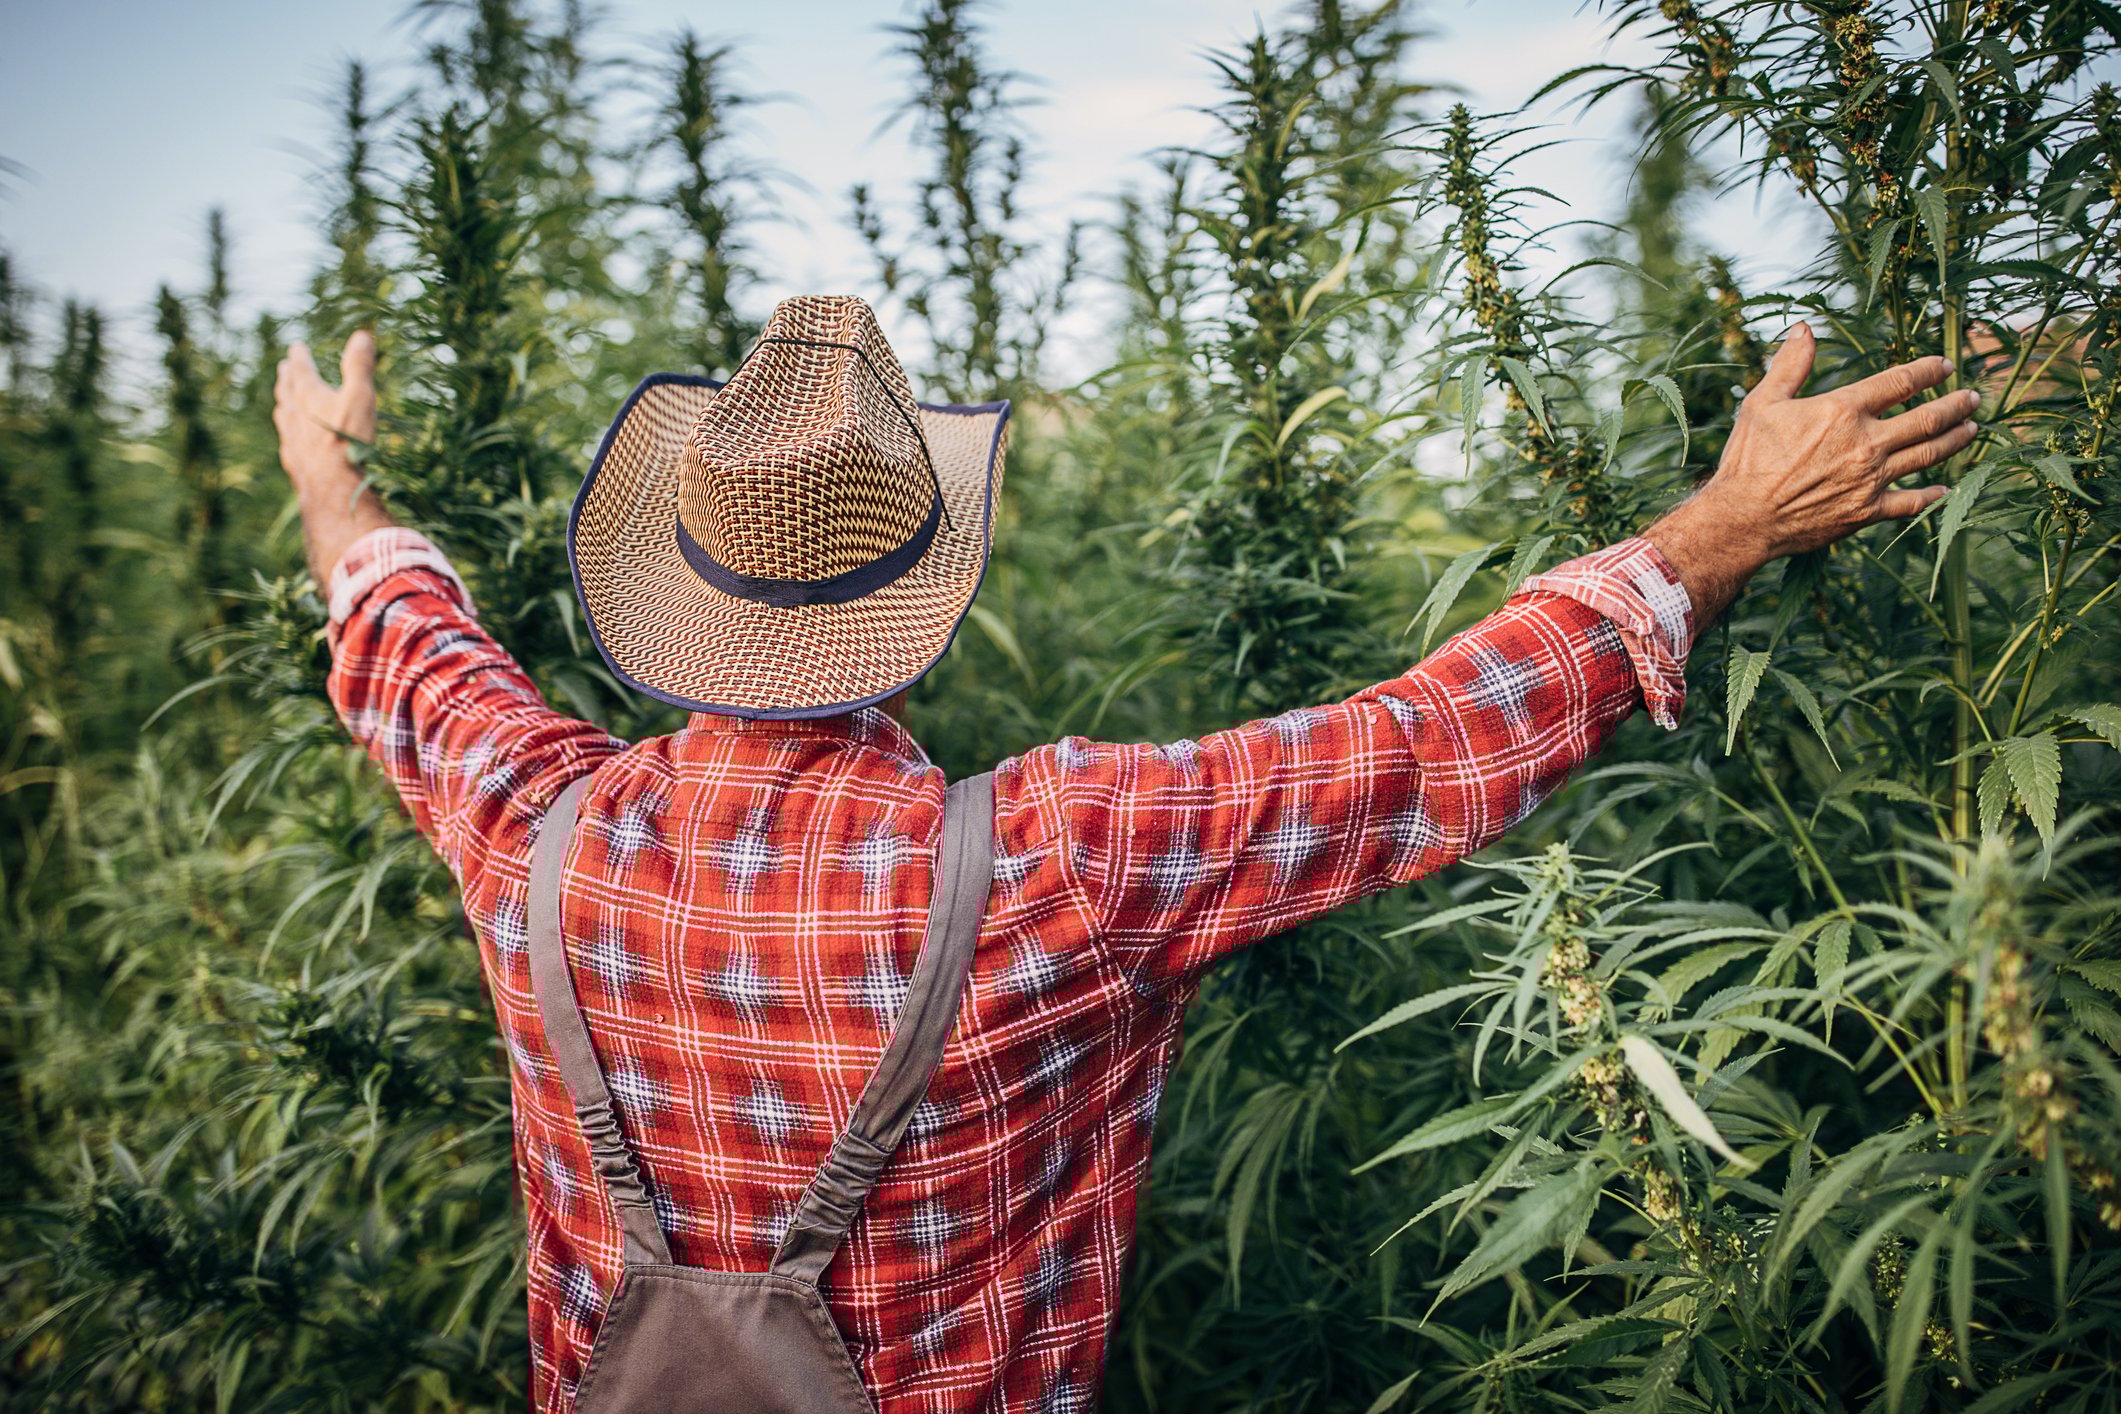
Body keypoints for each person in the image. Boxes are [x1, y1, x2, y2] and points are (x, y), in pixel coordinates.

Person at [274, 293, 1976, 1411]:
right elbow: (1427, 745)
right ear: (918, 615)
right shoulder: (1053, 859)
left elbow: (405, 642)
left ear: (683, 590)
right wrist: (1734, 520)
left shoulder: (530, 819)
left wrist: (328, 474)